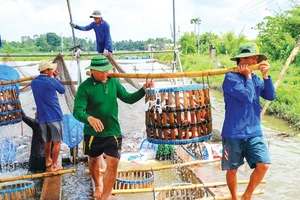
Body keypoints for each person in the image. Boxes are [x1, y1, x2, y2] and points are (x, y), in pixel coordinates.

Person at [73, 55, 154, 199]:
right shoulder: (84, 88)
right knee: (92, 161)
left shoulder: (114, 83)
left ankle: (104, 196)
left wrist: (143, 90)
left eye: (107, 70)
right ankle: (98, 183)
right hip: (93, 133)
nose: (105, 73)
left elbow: (128, 99)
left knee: (113, 163)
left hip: (113, 132)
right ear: (92, 71)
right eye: (102, 71)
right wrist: (89, 118)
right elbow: (77, 110)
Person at [221, 43, 276, 200]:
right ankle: (234, 197)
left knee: (264, 164)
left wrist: (265, 76)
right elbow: (246, 97)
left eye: (256, 58)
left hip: (254, 131)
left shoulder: (256, 78)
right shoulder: (230, 78)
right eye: (253, 57)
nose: (256, 60)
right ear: (242, 60)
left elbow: (270, 96)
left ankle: (247, 195)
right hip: (233, 132)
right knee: (232, 169)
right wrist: (248, 77)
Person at [31, 60, 65, 172]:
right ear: (46, 70)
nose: (53, 71)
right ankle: (54, 165)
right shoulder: (51, 81)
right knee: (57, 141)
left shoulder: (34, 82)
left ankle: (48, 160)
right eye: (51, 69)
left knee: (47, 140)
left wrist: (53, 78)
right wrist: (56, 78)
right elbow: (62, 90)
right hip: (54, 115)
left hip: (42, 116)